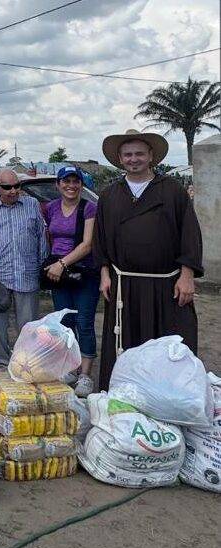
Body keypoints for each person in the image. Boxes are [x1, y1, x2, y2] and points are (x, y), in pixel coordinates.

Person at [93, 129, 202, 390]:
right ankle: (123, 396)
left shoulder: (173, 191)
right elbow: (101, 237)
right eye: (128, 154)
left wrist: (187, 275)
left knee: (170, 345)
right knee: (125, 345)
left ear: (151, 156)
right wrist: (104, 274)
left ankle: (168, 398)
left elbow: (190, 233)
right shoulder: (109, 195)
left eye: (139, 153)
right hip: (124, 286)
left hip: (166, 285)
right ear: (119, 158)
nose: (134, 159)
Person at [0, 169, 49, 368]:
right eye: (7, 187)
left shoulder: (31, 204)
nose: (13, 191)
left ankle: (25, 365)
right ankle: (0, 364)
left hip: (27, 273)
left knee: (28, 326)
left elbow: (41, 236)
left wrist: (40, 266)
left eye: (17, 186)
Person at [43, 166, 99, 396]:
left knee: (84, 322)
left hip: (83, 271)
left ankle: (85, 374)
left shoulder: (89, 208)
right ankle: (71, 367)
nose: (71, 186)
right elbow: (49, 235)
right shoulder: (51, 208)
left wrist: (61, 263)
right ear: (58, 185)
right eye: (66, 181)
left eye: (76, 182)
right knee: (65, 323)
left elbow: (87, 244)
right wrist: (52, 264)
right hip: (59, 273)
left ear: (81, 185)